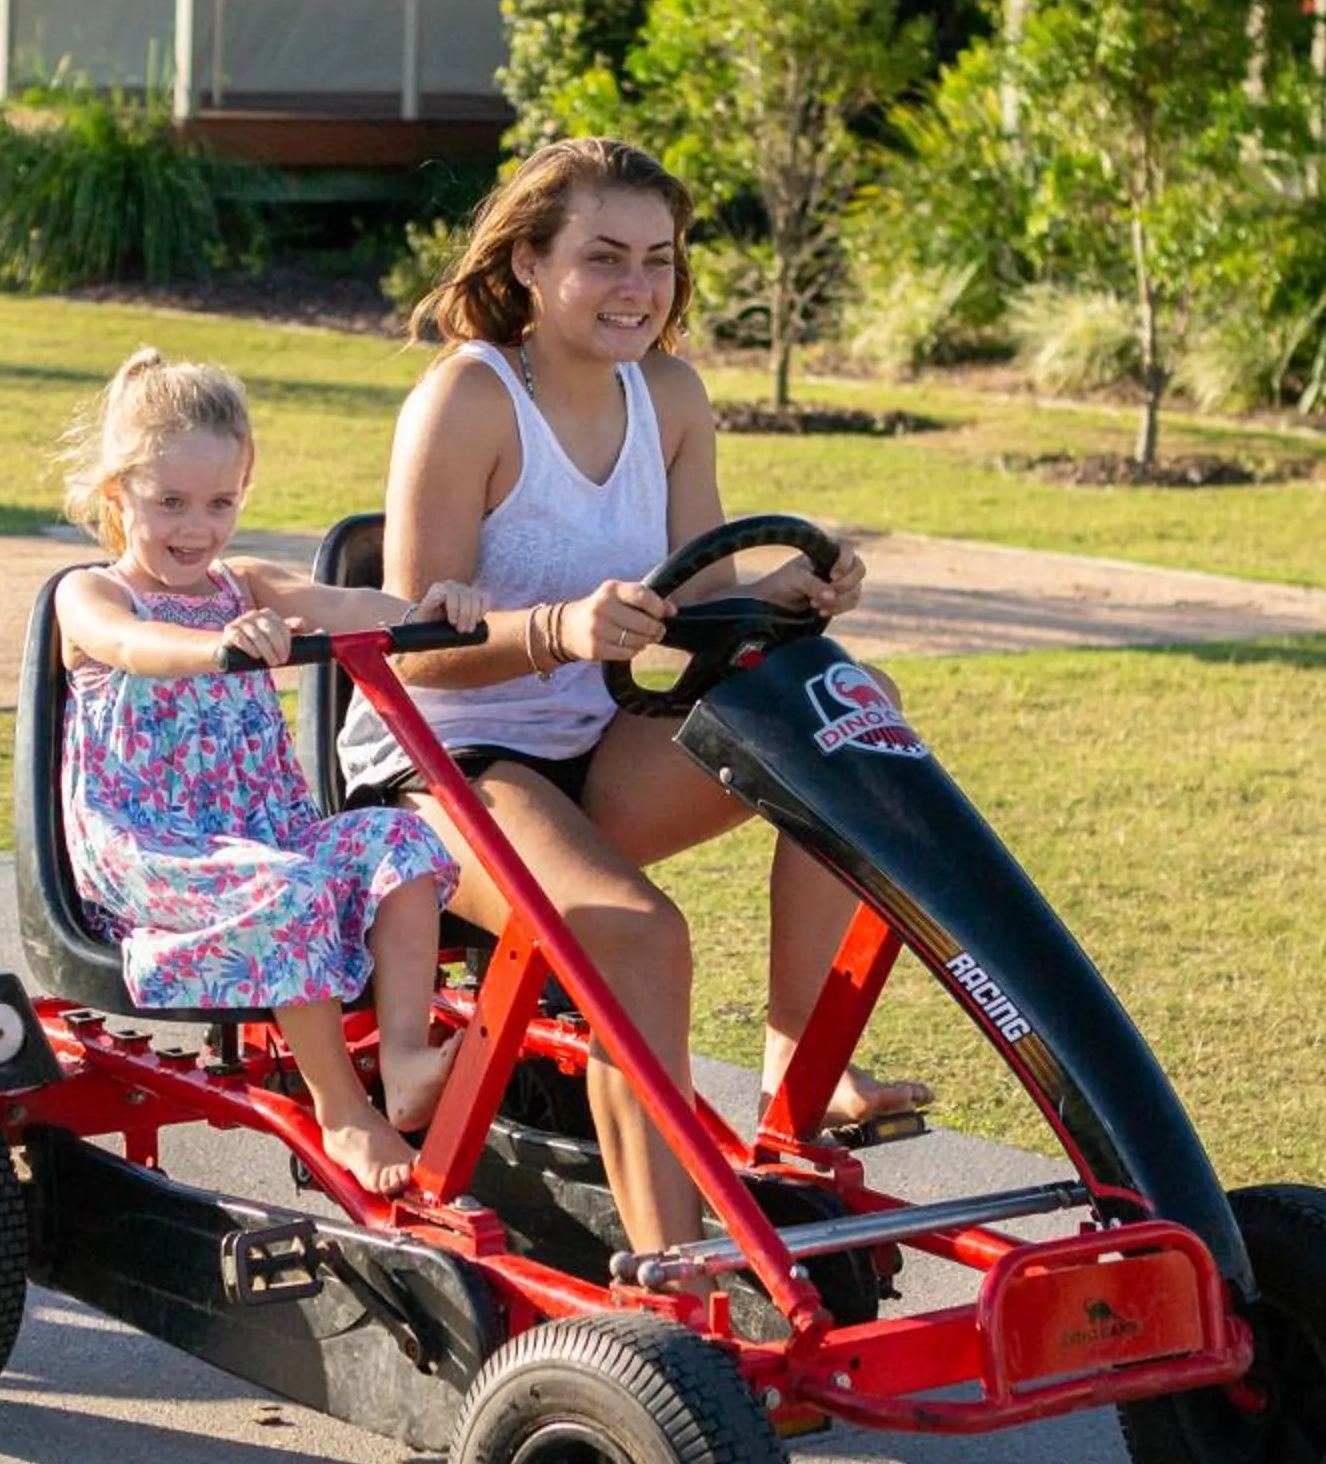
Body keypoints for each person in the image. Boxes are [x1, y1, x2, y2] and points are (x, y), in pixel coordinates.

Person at [341, 136, 930, 1264]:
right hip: (442, 765)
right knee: (637, 936)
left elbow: (698, 607)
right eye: (604, 257)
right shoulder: (467, 398)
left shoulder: (669, 392)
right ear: (528, 263)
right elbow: (409, 648)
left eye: (658, 260)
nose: (637, 287)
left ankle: (798, 1064)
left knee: (846, 716)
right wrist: (555, 628)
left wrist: (780, 596)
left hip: (598, 743)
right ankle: (677, 1280)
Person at [53, 347, 485, 1197]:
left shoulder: (243, 584)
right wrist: (215, 647)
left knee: (401, 841)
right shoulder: (94, 595)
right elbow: (132, 646)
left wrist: (426, 610)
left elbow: (343, 606)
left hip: (265, 830)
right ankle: (341, 1110)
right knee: (291, 889)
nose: (196, 527)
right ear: (117, 496)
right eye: (170, 502)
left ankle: (403, 1060)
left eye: (220, 503)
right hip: (153, 849)